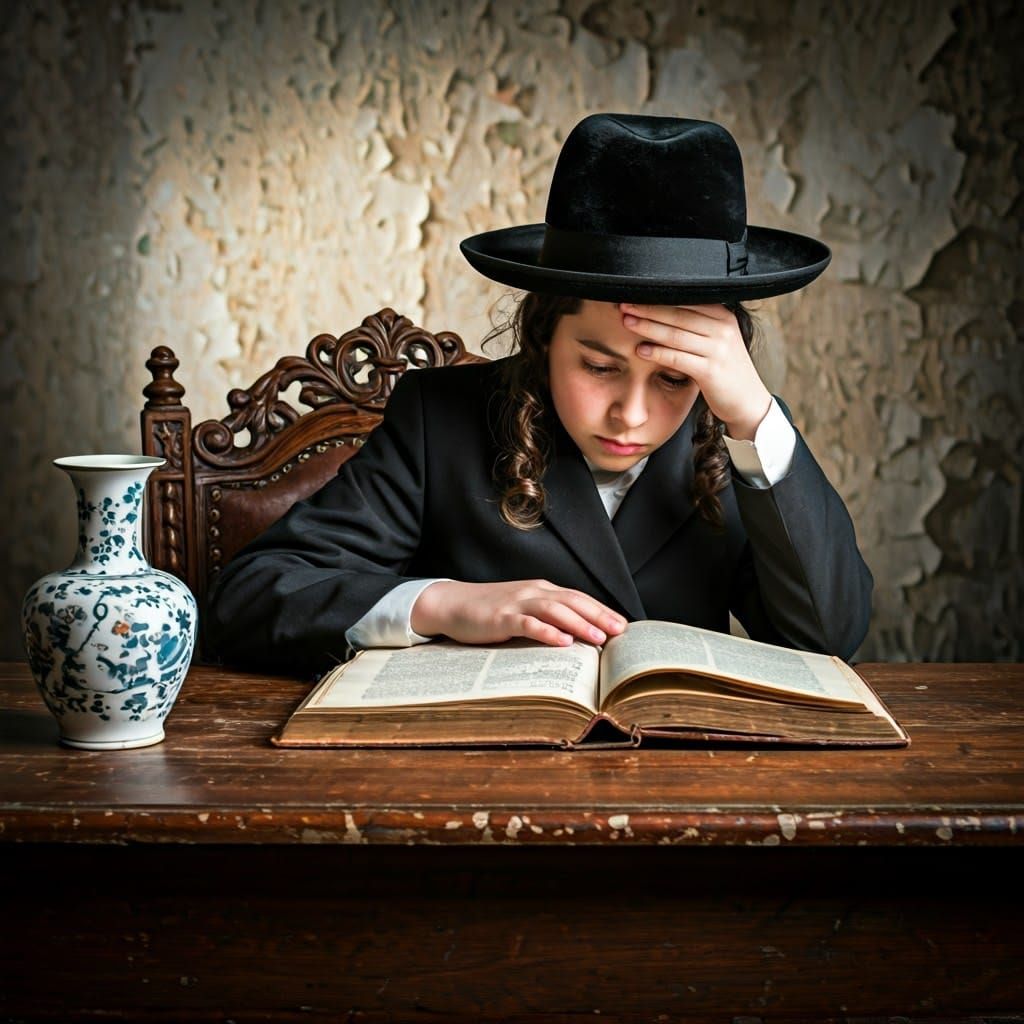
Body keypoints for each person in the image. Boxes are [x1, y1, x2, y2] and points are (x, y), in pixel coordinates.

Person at [207, 113, 872, 677]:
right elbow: (250, 599)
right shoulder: (441, 421)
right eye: (599, 365)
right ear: (544, 334)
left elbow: (826, 639)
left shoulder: (740, 444)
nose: (632, 415)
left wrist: (755, 417)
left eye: (675, 377)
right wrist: (441, 604)